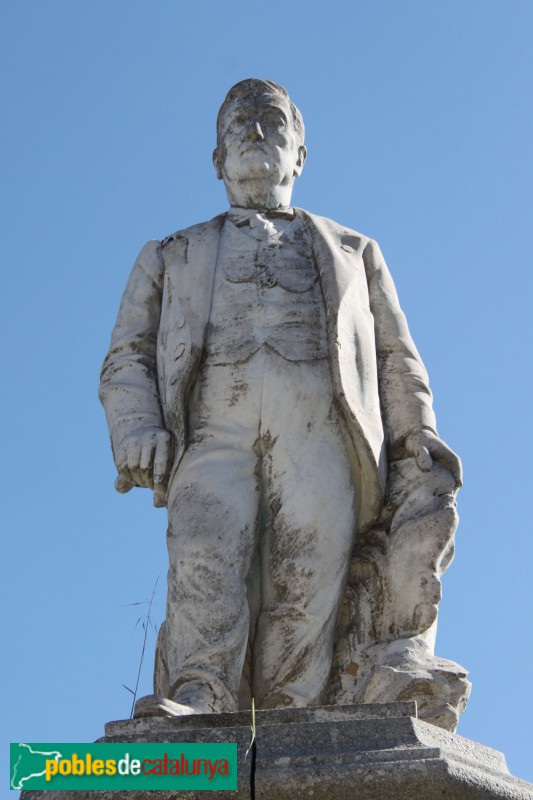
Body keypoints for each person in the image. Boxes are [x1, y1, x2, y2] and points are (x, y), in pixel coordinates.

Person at [99, 79, 463, 720]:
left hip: (323, 433)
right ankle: (199, 698)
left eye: (272, 121)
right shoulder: (170, 253)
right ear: (218, 161)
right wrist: (137, 426)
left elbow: (394, 357)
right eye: (238, 125)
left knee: (309, 576)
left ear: (300, 154)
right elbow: (127, 356)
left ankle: (296, 717)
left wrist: (417, 431)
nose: (255, 132)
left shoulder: (355, 252)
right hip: (212, 431)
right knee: (204, 557)